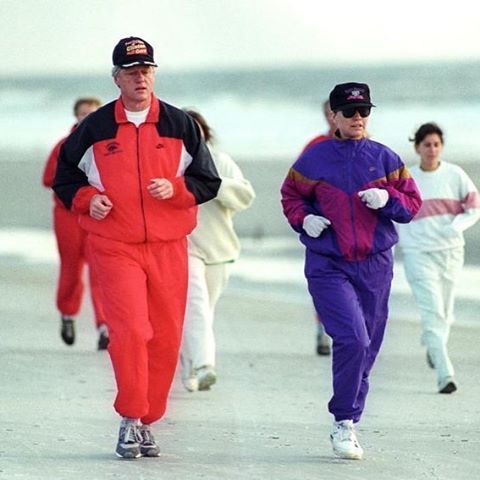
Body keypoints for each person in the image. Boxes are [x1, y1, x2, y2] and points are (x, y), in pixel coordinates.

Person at [53, 37, 221, 459]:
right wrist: (89, 199)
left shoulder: (180, 125)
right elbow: (64, 178)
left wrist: (178, 189)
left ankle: (148, 421)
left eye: (146, 69)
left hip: (168, 247)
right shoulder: (94, 129)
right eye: (131, 71)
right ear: (116, 79)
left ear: (154, 74)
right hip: (114, 244)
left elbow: (208, 181)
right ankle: (129, 419)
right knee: (129, 331)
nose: (140, 77)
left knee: (165, 337)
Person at [280, 82, 422, 460]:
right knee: (353, 339)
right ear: (334, 116)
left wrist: (388, 198)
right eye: (349, 112)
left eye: (363, 112)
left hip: (376, 264)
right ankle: (344, 421)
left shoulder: (386, 159)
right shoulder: (314, 159)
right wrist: (304, 219)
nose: (357, 118)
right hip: (328, 263)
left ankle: (349, 417)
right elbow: (290, 196)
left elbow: (411, 206)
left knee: (369, 347)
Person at [397, 122, 480, 394]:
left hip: (451, 252)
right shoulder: (407, 179)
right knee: (433, 312)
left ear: (441, 146)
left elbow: (474, 208)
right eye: (426, 145)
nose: (432, 149)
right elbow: (395, 213)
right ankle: (446, 374)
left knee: (446, 313)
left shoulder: (455, 175)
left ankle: (434, 345)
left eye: (436, 144)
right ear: (417, 147)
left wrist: (455, 226)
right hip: (418, 254)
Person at [180, 109, 255, 392]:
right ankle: (203, 365)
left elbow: (245, 196)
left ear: (204, 132)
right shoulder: (168, 163)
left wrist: (214, 185)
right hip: (183, 247)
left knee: (203, 310)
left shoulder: (220, 162)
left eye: (195, 129)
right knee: (194, 304)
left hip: (218, 249)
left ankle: (191, 365)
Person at [42, 97, 109, 350]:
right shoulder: (63, 146)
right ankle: (67, 314)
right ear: (75, 116)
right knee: (71, 267)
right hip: (68, 215)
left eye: (92, 113)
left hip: (96, 216)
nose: (87, 117)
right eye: (83, 113)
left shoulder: (105, 144)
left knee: (100, 271)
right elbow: (48, 178)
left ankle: (104, 327)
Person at [300, 99, 336, 356]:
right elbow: (297, 183)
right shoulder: (315, 146)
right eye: (329, 113)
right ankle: (322, 331)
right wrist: (306, 216)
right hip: (321, 225)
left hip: (355, 226)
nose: (333, 117)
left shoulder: (365, 142)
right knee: (323, 282)